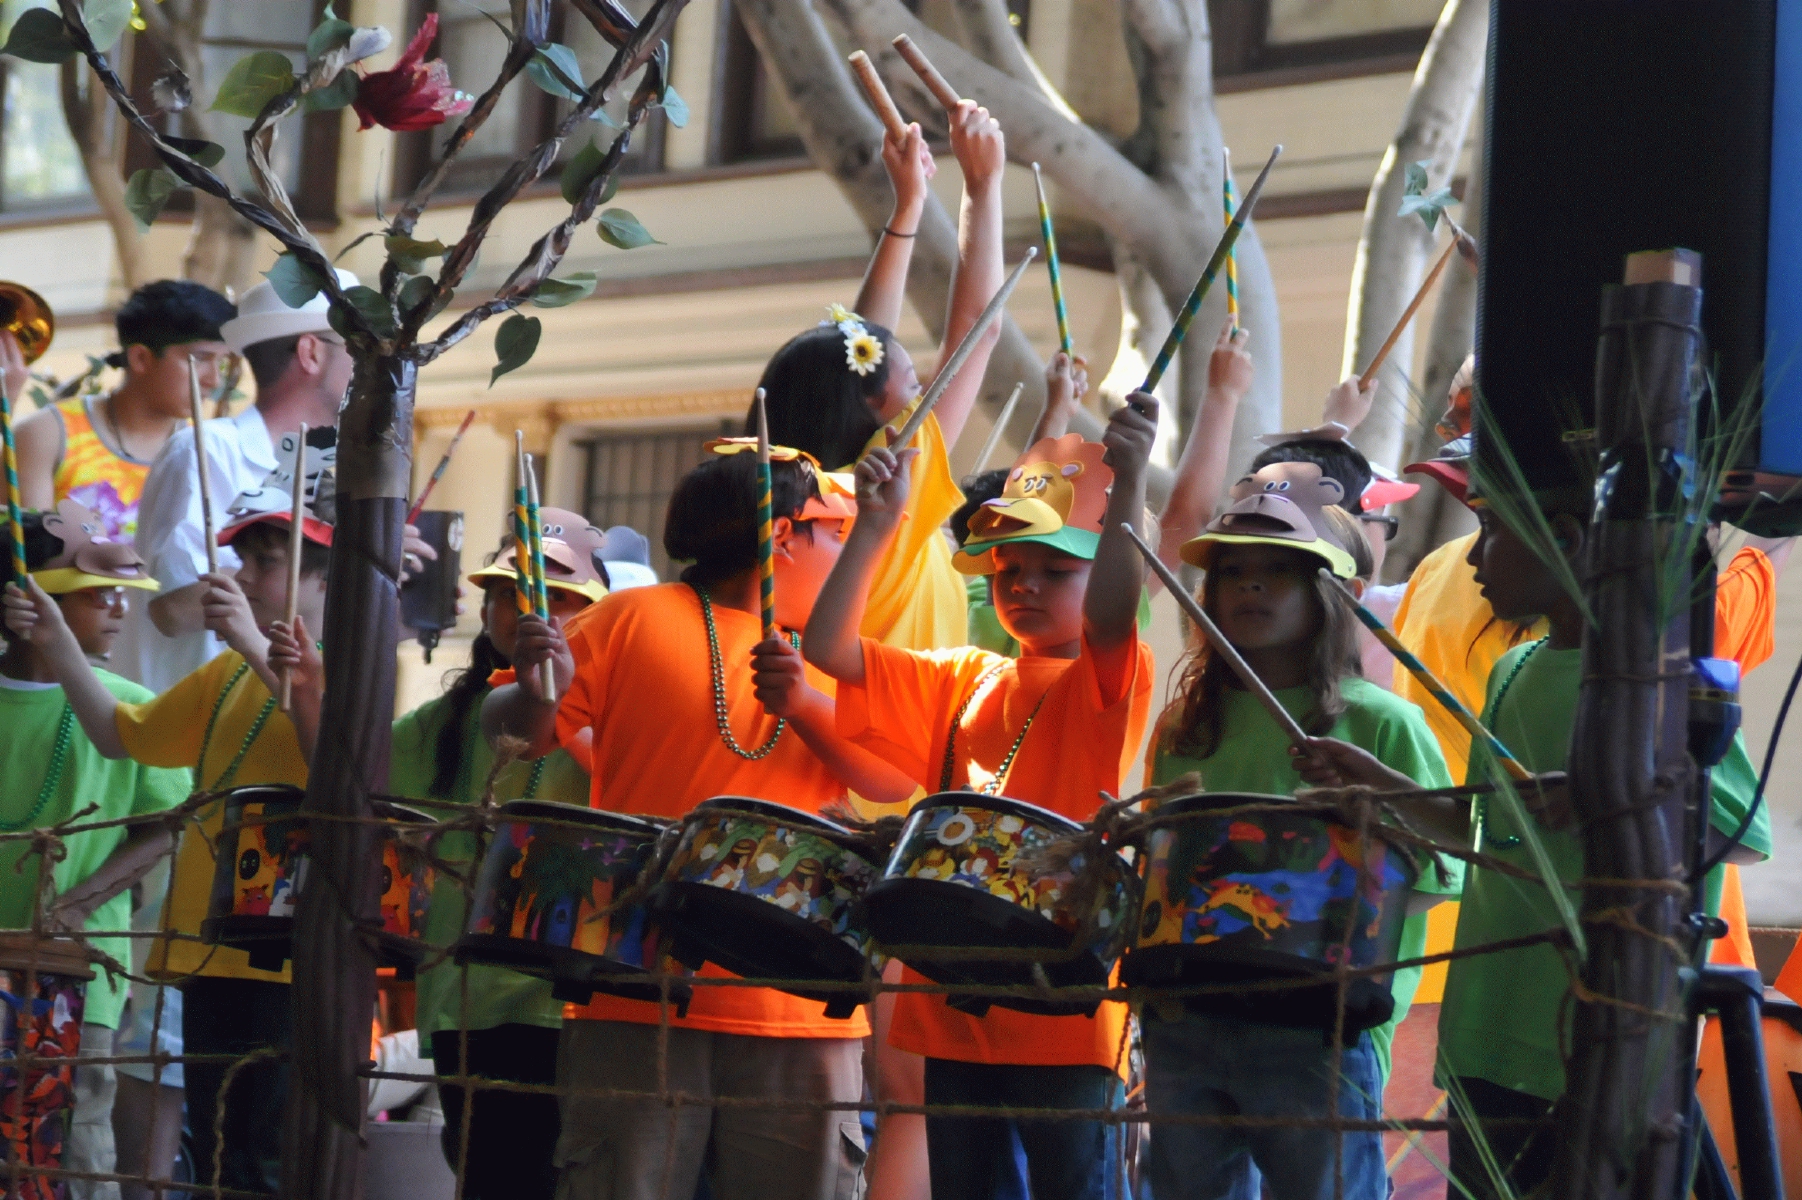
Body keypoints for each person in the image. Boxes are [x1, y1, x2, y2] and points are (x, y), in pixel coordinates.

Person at [1300, 477, 1773, 1199]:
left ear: (1570, 538)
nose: (1475, 561)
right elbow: (1482, 828)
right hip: (1483, 1036)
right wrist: (1379, 786)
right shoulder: (1513, 668)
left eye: (1492, 534)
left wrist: (1599, 796)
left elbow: (1739, 833)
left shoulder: (1655, 678)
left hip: (1601, 1043)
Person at [487, 446, 914, 1200]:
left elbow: (889, 781)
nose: (849, 552)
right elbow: (512, 732)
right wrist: (535, 691)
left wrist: (809, 706)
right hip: (636, 994)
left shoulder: (843, 653)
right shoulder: (629, 618)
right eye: (836, 532)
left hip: (801, 1009)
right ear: (783, 536)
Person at [803, 391, 1160, 1200]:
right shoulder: (964, 675)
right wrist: (874, 527)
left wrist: (1131, 483)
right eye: (1007, 568)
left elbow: (1114, 614)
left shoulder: (1109, 676)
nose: (1025, 584)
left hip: (1062, 1008)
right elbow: (827, 647)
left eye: (1055, 569)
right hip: (951, 997)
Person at [3, 454, 332, 1195]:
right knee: (221, 1155)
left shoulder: (350, 662)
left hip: (294, 956)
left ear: (323, 577)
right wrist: (55, 642)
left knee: (266, 1156)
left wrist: (251, 642)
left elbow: (343, 766)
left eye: (267, 564)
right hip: (214, 949)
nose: (241, 579)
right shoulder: (218, 675)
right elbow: (123, 734)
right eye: (242, 562)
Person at [1137, 461, 1453, 1200]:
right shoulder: (1187, 724)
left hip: (1316, 1027)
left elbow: (1440, 868)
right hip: (1187, 1015)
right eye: (1233, 570)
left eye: (1279, 571)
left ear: (1332, 593)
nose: (1250, 585)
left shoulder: (1383, 722)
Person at [389, 512, 607, 1199]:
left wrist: (567, 709)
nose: (530, 609)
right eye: (509, 592)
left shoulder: (624, 708)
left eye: (560, 597)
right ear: (485, 610)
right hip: (473, 1000)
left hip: (584, 999)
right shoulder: (444, 721)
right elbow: (357, 788)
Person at [756, 100, 1006, 652]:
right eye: (916, 386)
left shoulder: (812, 499)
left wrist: (909, 206)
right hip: (890, 731)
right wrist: (983, 186)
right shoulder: (888, 482)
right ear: (870, 405)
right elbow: (978, 329)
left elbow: (861, 345)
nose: (925, 396)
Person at [0, 502, 189, 1200]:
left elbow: (169, 822)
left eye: (120, 594)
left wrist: (81, 900)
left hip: (79, 979)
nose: (117, 609)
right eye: (93, 594)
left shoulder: (132, 706)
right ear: (25, 600)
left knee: (72, 1151)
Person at [129, 270, 364, 692]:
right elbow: (173, 609)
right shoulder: (207, 451)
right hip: (190, 742)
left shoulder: (324, 469)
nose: (369, 368)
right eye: (359, 349)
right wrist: (336, 569)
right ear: (310, 351)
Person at [14, 280, 236, 541]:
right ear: (140, 358)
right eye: (200, 359)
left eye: (221, 363)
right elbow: (27, 560)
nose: (214, 380)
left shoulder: (206, 453)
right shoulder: (47, 434)